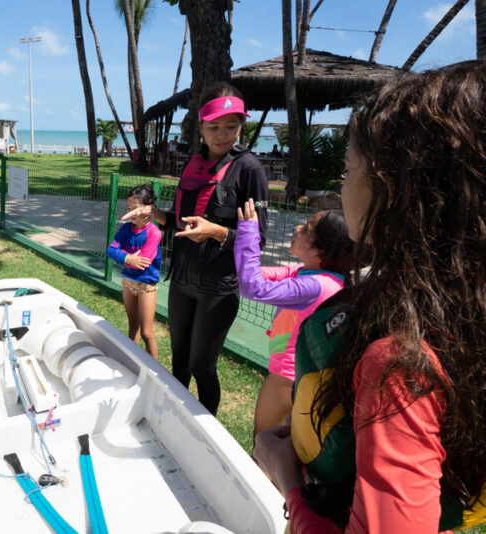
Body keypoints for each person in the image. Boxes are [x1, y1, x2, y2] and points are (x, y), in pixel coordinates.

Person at [253, 60, 486, 533]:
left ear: (395, 189)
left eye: (347, 168)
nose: (341, 186)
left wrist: (287, 480)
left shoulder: (400, 365)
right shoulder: (464, 315)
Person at [123, 82, 268, 415]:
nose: (222, 134)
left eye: (231, 126)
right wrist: (156, 215)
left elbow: (257, 238)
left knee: (203, 368)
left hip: (218, 287)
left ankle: (206, 432)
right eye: (214, 127)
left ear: (241, 126)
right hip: (183, 282)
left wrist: (218, 232)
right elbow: (183, 222)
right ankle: (175, 420)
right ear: (200, 127)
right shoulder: (193, 162)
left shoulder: (250, 169)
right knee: (181, 365)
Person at [235, 200, 353, 436]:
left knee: (263, 447)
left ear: (320, 252)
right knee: (284, 450)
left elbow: (253, 287)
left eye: (307, 229)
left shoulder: (314, 285)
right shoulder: (318, 276)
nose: (298, 229)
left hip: (286, 379)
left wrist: (248, 231)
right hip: (302, 377)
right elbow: (257, 276)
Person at [107, 184, 162, 359]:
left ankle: (156, 373)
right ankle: (132, 363)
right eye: (128, 208)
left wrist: (122, 256)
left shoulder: (154, 232)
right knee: (132, 326)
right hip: (127, 282)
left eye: (135, 209)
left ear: (148, 209)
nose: (130, 212)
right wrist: (128, 258)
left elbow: (143, 263)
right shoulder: (125, 229)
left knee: (146, 333)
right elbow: (110, 251)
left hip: (146, 285)